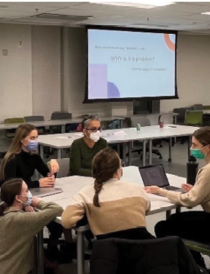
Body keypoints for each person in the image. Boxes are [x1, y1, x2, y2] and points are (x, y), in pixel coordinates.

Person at [145, 126, 210, 267]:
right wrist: (197, 189)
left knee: (163, 227)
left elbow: (189, 201)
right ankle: (195, 262)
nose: (192, 148)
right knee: (174, 219)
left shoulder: (207, 171)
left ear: (207, 147)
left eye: (195, 145)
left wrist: (161, 191)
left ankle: (192, 266)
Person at [62, 147, 153, 240]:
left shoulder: (85, 193)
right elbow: (147, 209)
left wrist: (88, 217)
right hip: (144, 249)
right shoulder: (137, 188)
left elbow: (66, 221)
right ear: (118, 170)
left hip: (110, 251)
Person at [0, 178, 63, 274]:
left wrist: (24, 205)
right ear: (18, 198)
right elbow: (57, 209)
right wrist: (37, 202)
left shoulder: (4, 210)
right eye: (26, 191)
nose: (29, 193)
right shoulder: (23, 219)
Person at [0, 123, 59, 189]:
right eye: (32, 138)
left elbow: (48, 176)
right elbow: (11, 187)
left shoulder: (34, 156)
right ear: (22, 140)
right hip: (11, 196)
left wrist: (53, 169)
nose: (35, 141)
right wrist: (37, 183)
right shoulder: (12, 159)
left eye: (36, 137)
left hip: (26, 192)